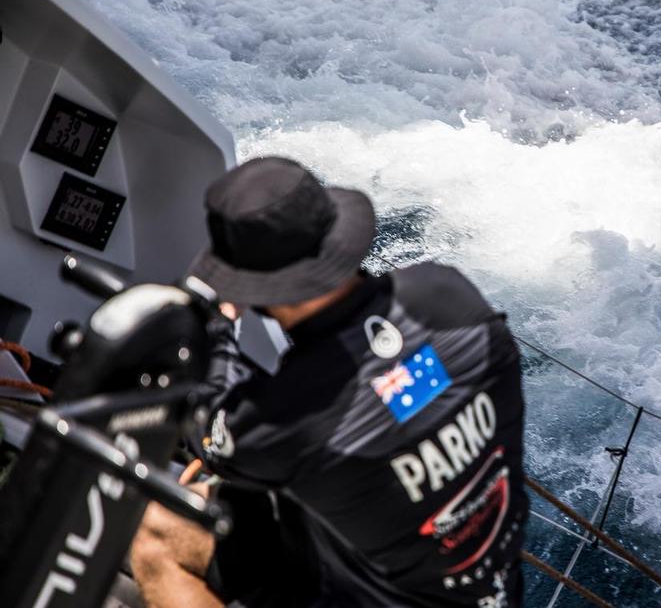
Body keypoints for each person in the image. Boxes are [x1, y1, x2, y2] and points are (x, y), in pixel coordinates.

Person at [129, 157, 528, 608]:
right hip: (493, 588)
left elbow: (210, 431)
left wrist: (219, 328)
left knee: (157, 531)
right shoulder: (448, 291)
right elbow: (398, 391)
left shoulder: (286, 416)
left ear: (255, 290)